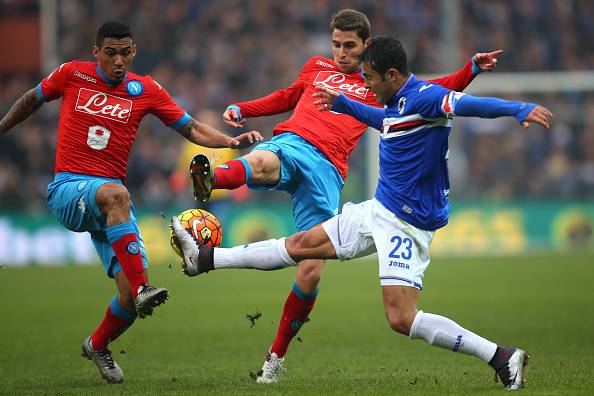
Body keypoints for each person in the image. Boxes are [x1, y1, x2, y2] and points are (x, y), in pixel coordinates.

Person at [172, 36, 552, 390]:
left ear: (392, 74)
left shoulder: (426, 98)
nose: (366, 86)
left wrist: (518, 109)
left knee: (401, 319)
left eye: (369, 78)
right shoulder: (393, 103)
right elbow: (379, 120)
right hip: (378, 210)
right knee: (302, 244)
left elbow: (469, 104)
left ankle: (501, 356)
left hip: (408, 224)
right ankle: (204, 259)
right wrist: (341, 103)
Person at [0, 21, 262, 384]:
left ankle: (98, 343)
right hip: (69, 187)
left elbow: (190, 128)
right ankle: (143, 287)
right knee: (120, 200)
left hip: (109, 204)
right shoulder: (72, 74)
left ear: (134, 52)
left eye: (125, 52)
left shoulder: (146, 89)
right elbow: (32, 98)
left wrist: (231, 142)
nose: (118, 60)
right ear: (96, 53)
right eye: (110, 53)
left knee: (128, 299)